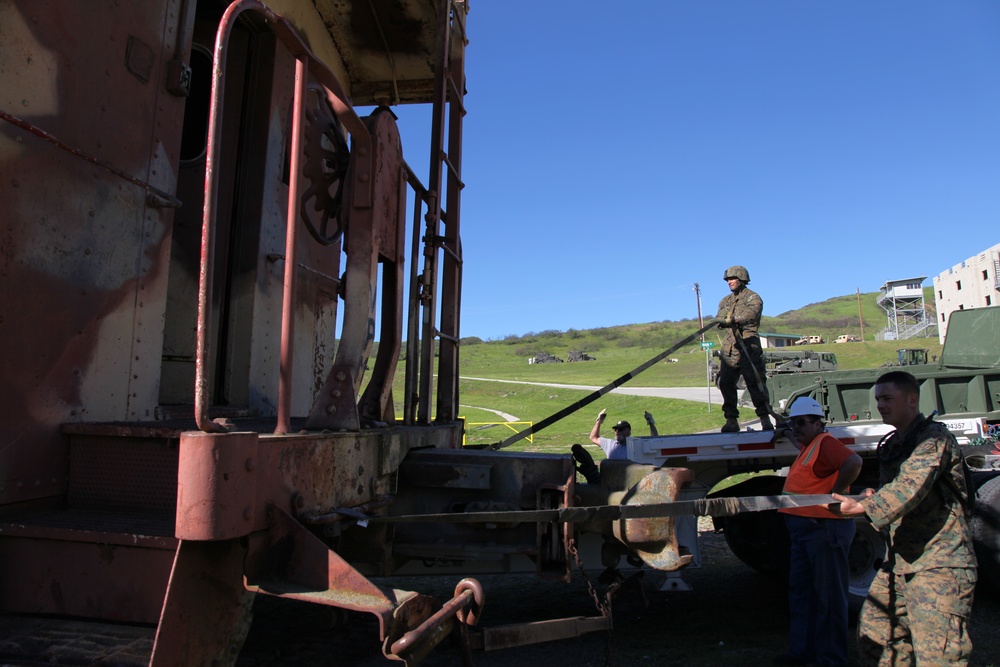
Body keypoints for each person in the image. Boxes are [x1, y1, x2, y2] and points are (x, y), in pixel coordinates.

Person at [832, 370, 977, 667]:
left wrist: (864, 508)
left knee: (938, 655)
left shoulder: (933, 440)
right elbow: (898, 489)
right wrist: (873, 495)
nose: (881, 405)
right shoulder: (894, 444)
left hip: (940, 563)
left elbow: (910, 486)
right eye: (877, 399)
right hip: (900, 562)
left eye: (888, 398)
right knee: (877, 638)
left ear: (912, 399)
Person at [775, 397, 862, 667]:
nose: (796, 427)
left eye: (801, 422)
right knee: (802, 594)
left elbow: (854, 462)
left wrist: (834, 493)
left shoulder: (825, 444)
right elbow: (797, 439)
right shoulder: (809, 444)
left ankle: (831, 660)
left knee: (829, 597)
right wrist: (787, 431)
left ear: (817, 423)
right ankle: (802, 653)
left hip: (824, 529)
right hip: (806, 530)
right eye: (793, 422)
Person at [715, 265, 773, 432]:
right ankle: (731, 420)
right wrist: (720, 321)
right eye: (727, 280)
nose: (729, 282)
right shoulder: (725, 301)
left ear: (741, 279)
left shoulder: (753, 298)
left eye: (732, 279)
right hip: (730, 348)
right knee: (726, 383)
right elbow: (719, 317)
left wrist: (734, 319)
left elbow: (751, 314)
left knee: (755, 383)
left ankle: (764, 418)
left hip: (748, 346)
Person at [588, 408, 658, 460]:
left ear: (628, 431)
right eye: (616, 429)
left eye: (620, 429)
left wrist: (651, 423)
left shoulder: (636, 445)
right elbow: (593, 437)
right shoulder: (610, 444)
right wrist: (599, 421)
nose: (617, 431)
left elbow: (654, 441)